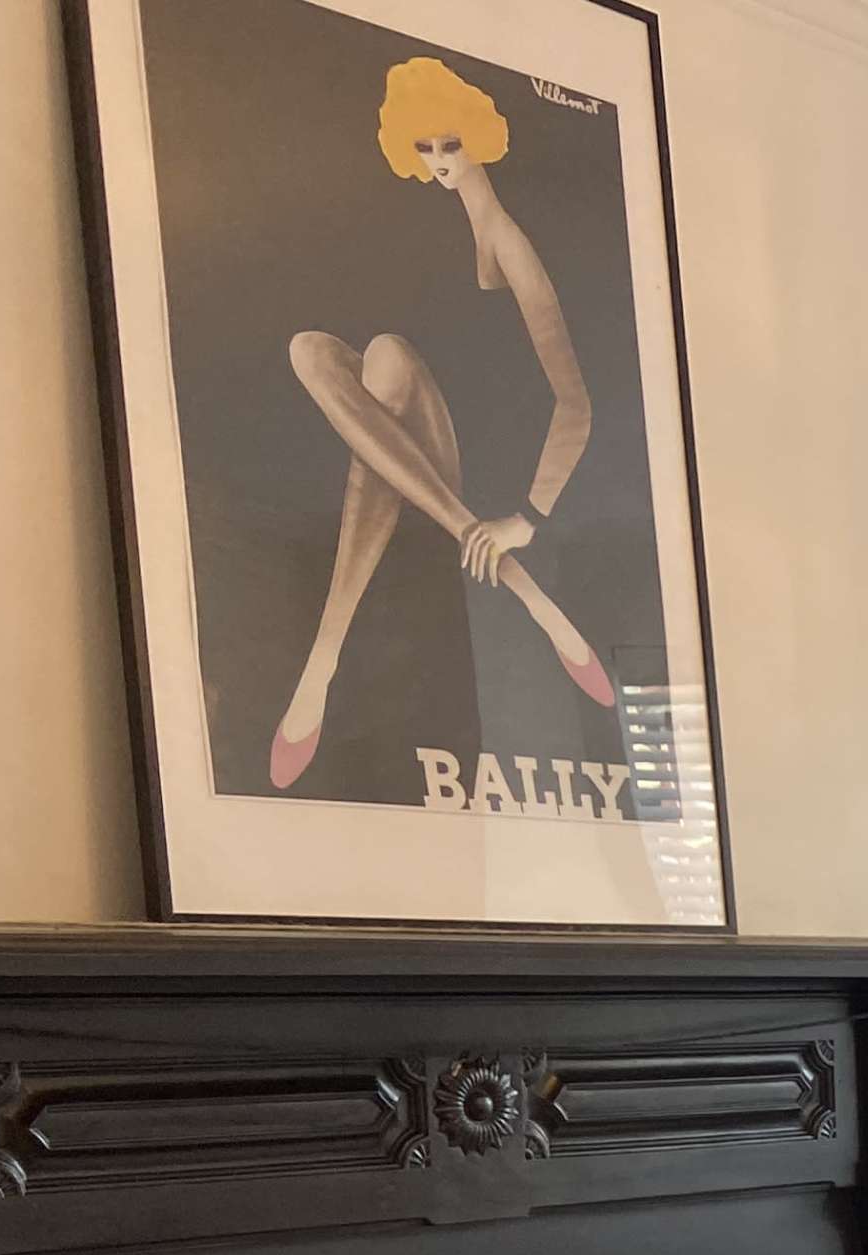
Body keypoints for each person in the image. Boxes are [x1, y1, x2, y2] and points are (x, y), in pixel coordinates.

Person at [269, 56, 611, 791]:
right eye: (425, 147)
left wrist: (528, 519)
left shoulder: (508, 242)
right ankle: (526, 593)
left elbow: (576, 403)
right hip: (418, 462)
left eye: (450, 143)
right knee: (325, 351)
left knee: (388, 357)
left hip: (466, 458)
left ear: (478, 137)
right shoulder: (432, 229)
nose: (439, 160)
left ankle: (323, 658)